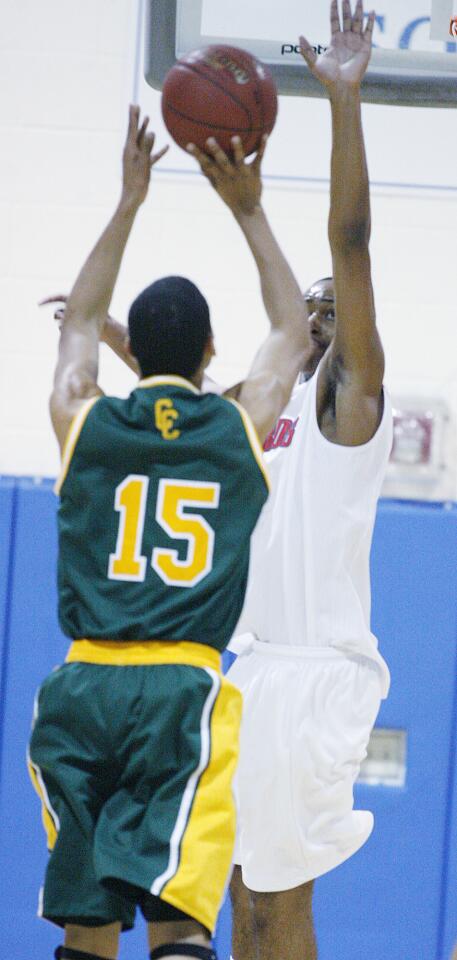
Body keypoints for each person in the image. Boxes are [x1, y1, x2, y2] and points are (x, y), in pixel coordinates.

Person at [28, 106, 310, 960]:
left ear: (132, 347)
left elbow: (77, 326)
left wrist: (127, 201)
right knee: (177, 920)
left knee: (87, 920)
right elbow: (294, 334)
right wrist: (247, 204)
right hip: (179, 694)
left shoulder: (84, 420)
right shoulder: (232, 428)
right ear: (209, 349)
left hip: (80, 691)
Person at [226, 3, 393, 959]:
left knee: (281, 905)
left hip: (318, 676)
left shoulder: (350, 406)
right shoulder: (276, 408)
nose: (321, 313)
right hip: (255, 670)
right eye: (313, 310)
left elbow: (350, 243)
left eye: (336, 310)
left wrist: (343, 100)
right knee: (243, 895)